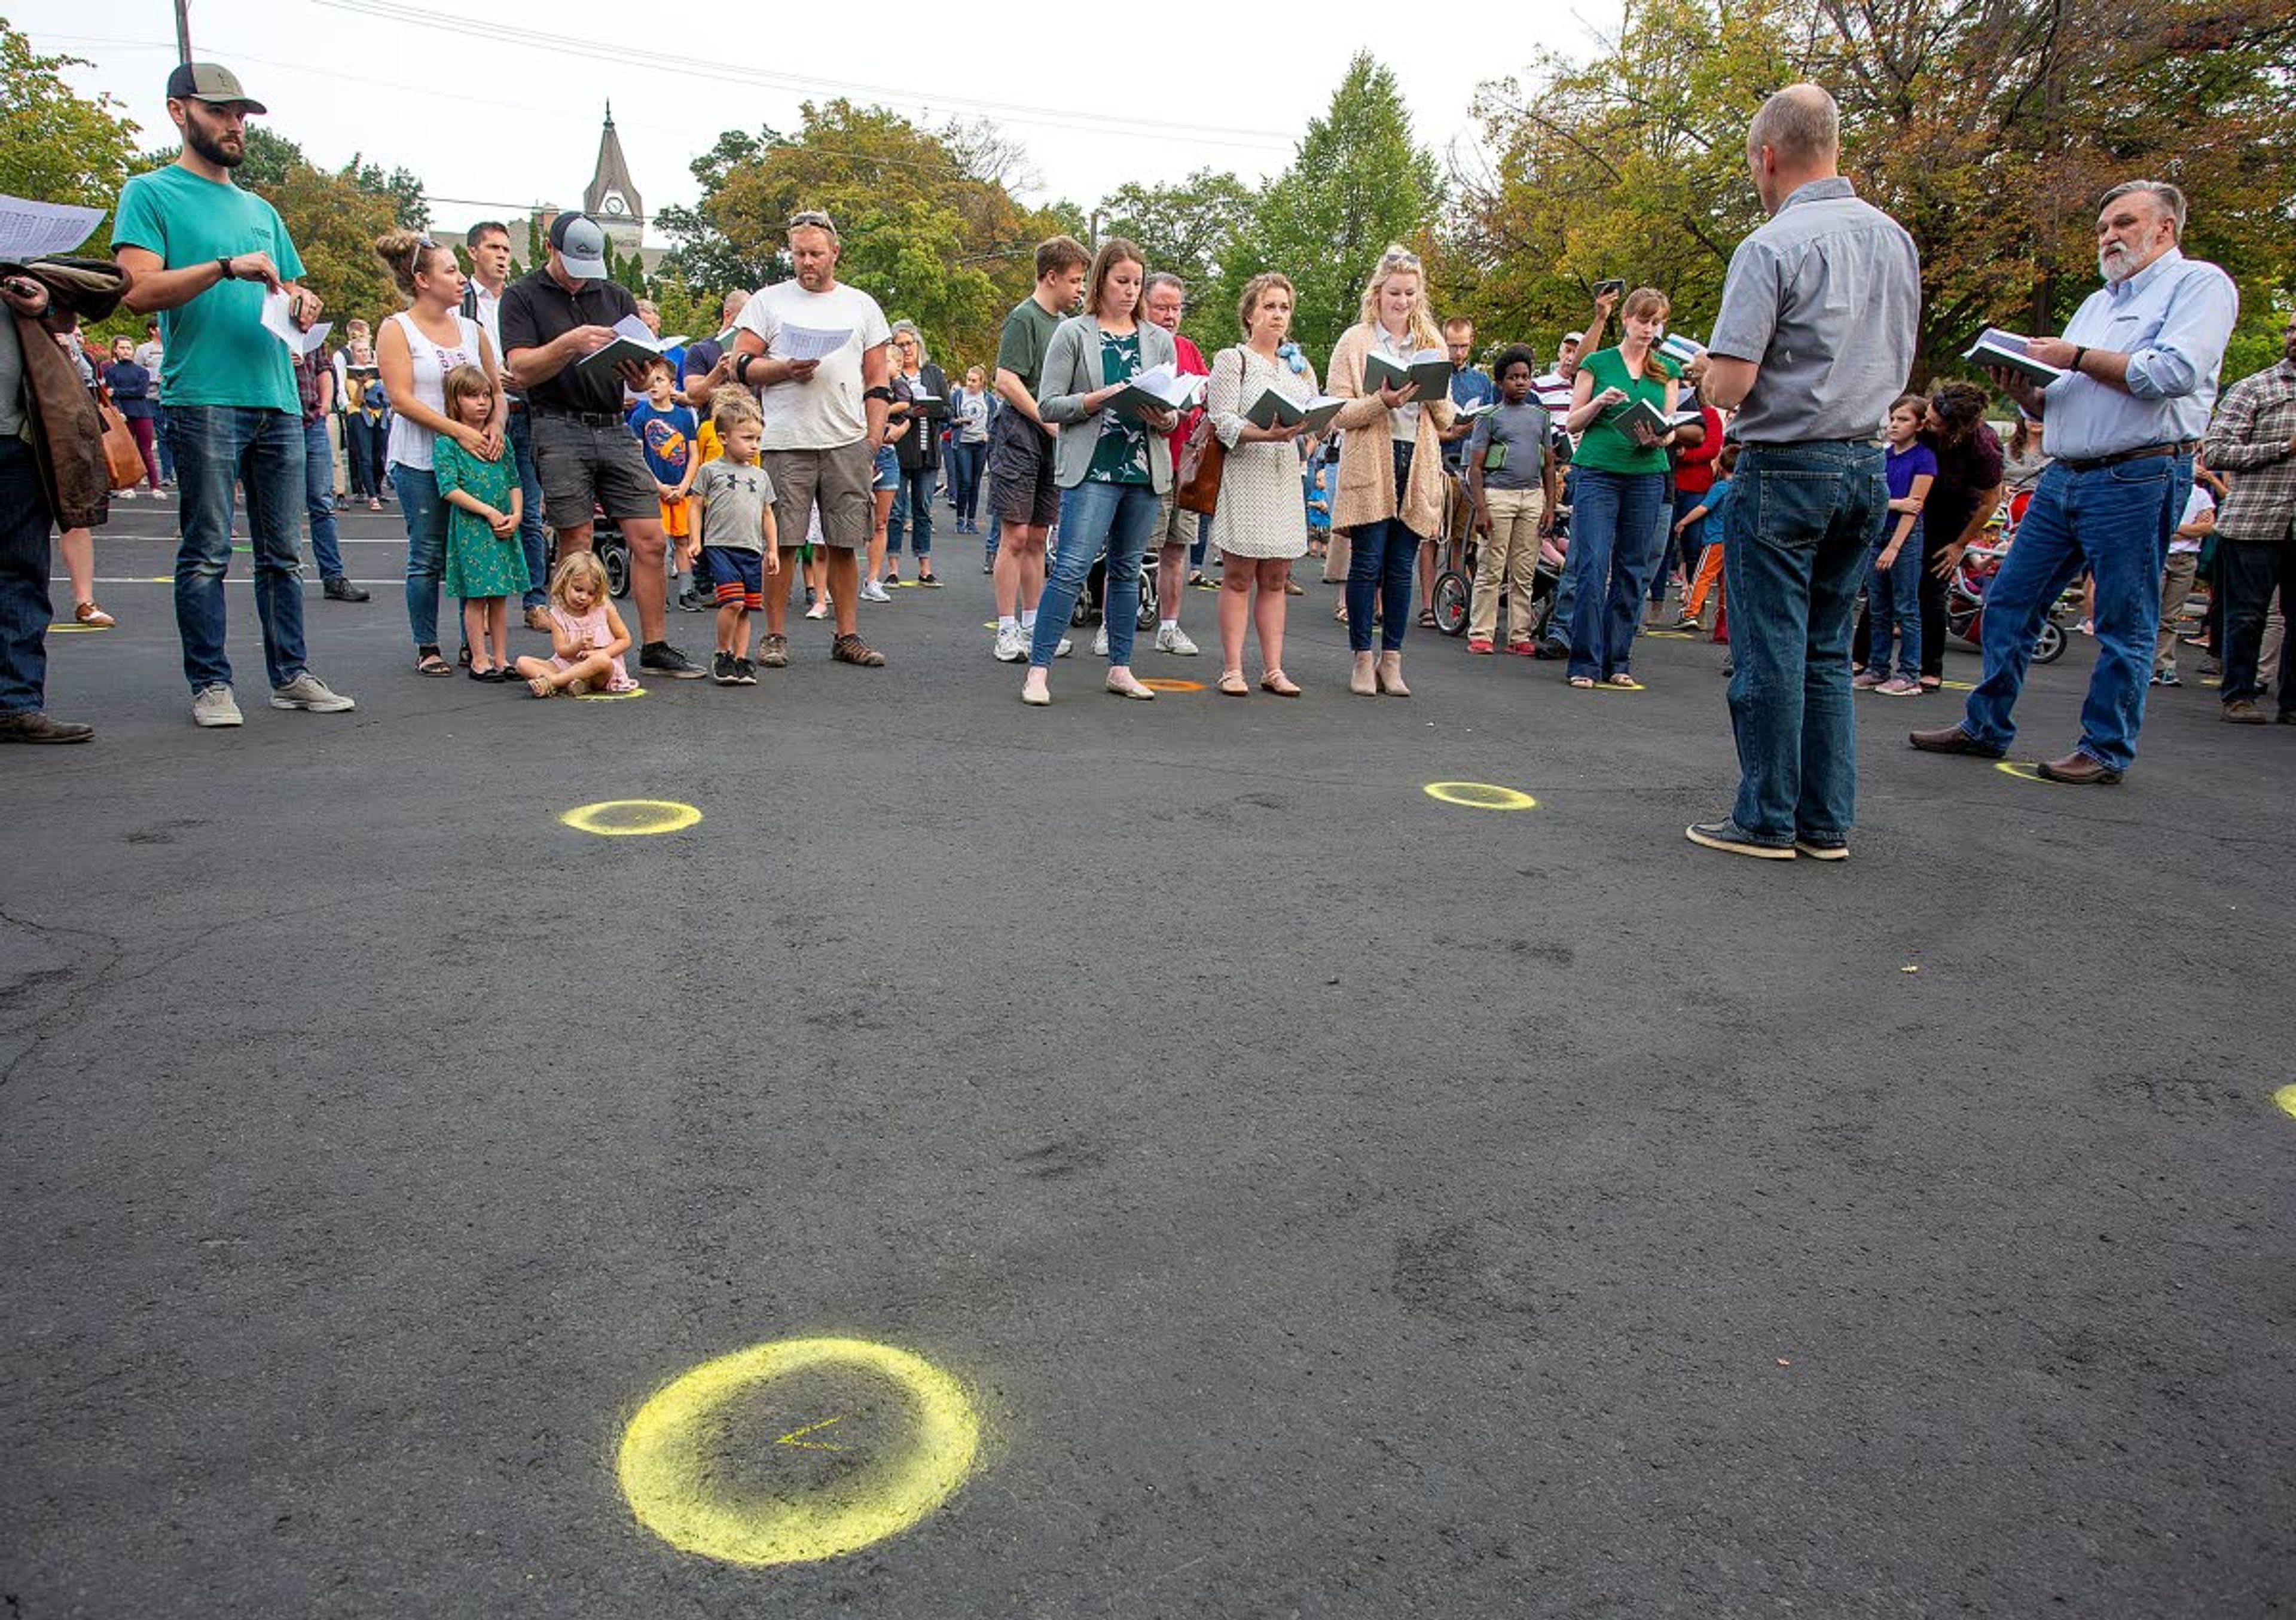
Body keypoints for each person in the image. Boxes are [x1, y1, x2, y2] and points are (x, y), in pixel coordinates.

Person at [1913, 178, 2237, 781]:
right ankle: (1986, 724)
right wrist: (2030, 393)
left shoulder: (2200, 285)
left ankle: (2106, 748)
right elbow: (2067, 395)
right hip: (2066, 473)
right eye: (2103, 228)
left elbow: (2172, 371)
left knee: (2123, 617)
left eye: (2124, 223)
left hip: (2139, 472)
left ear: (2165, 228)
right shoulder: (2098, 303)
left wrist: (2075, 358)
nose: (2109, 236)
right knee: (2009, 599)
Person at [1686, 82, 1919, 858]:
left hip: (1787, 465)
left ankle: (1766, 816)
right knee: (1825, 645)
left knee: (1771, 647)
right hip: (1865, 463)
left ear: (1768, 156)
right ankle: (1825, 821)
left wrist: (1704, 377)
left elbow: (1735, 382)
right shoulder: (1894, 239)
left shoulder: (1772, 247)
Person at [112, 60, 357, 727]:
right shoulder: (151, 193)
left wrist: (305, 302)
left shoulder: (262, 210)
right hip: (203, 395)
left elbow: (300, 289)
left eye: (241, 115)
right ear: (178, 112)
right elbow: (135, 290)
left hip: (276, 395)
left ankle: (291, 675)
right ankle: (211, 684)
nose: (234, 125)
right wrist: (223, 267)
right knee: (209, 547)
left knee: (283, 550)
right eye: (220, 112)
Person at [499, 210, 703, 678]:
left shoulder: (614, 295)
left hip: (614, 424)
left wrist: (637, 372)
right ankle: (573, 652)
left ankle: (655, 646)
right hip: (556, 422)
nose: (580, 280)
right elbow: (522, 370)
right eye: (572, 266)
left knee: (650, 540)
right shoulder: (522, 297)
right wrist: (569, 343)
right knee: (577, 541)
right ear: (551, 249)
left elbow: (641, 371)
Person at [728, 207, 894, 669]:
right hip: (785, 439)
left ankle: (848, 636)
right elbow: (739, 364)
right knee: (782, 541)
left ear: (835, 253)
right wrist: (782, 368)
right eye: (799, 253)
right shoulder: (768, 301)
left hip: (846, 439)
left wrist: (873, 438)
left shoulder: (862, 305)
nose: (807, 262)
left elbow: (877, 378)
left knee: (843, 542)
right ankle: (775, 636)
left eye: (816, 254)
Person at [1019, 239, 1178, 704]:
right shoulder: (1073, 333)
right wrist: (1097, 399)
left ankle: (1121, 667)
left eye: (1137, 283)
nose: (1131, 292)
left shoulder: (1158, 339)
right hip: (1092, 468)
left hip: (1143, 470)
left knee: (1128, 571)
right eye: (1122, 281)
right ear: (1101, 281)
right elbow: (1049, 403)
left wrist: (1164, 417)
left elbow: (1172, 413)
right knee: (1069, 568)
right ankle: (1038, 670)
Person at [1326, 245, 1457, 696]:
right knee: (1367, 564)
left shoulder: (1432, 343)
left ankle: (1393, 660)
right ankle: (1363, 658)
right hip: (1371, 459)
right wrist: (1383, 400)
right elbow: (1337, 411)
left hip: (1417, 461)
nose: (1402, 302)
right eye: (1395, 293)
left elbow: (1445, 418)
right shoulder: (1355, 340)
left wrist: (1429, 391)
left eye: (1410, 294)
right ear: (1378, 293)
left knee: (1401, 568)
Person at [373, 227, 504, 675]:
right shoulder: (398, 329)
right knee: (428, 553)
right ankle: (427, 644)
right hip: (420, 460)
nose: (461, 277)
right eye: (451, 270)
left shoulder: (472, 329)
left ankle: (476, 645)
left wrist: (495, 427)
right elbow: (402, 399)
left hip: (474, 462)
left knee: (475, 547)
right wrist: (459, 432)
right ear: (423, 280)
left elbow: (496, 387)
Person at [0, 261, 111, 741]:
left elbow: (109, 287)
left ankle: (16, 703)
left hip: (16, 433)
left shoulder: (20, 267)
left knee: (21, 570)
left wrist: (43, 300)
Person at [1559, 286, 1682, 690]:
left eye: (1656, 322)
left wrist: (1659, 438)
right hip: (1597, 470)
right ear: (1626, 319)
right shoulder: (1597, 362)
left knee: (1633, 567)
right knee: (1592, 564)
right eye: (1643, 320)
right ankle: (1584, 661)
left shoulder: (1666, 369)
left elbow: (1668, 427)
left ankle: (1618, 659)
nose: (1649, 329)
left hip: (1646, 473)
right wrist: (1600, 403)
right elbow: (1572, 422)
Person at [1201, 271, 1316, 696]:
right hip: (1247, 469)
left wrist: (1311, 429)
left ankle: (1274, 668)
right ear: (1250, 314)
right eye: (1269, 306)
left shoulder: (1298, 367)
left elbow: (1314, 413)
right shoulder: (1233, 359)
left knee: (1275, 577)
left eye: (1284, 307)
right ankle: (1233, 668)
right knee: (1238, 575)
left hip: (1284, 473)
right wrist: (1262, 432)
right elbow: (1222, 418)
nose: (1278, 315)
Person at [987, 235, 1091, 662]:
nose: (1080, 289)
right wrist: (1046, 420)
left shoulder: (1067, 326)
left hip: (1052, 438)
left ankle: (1033, 627)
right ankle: (1006, 631)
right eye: (1074, 280)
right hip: (1020, 435)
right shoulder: (1024, 318)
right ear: (1050, 277)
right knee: (1013, 535)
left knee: (1037, 537)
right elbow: (1006, 380)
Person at [2199, 310, 2296, 723]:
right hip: (2256, 522)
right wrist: (2282, 448)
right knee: (2246, 614)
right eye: (2292, 329)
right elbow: (2216, 452)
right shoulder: (2255, 388)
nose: (2294, 337)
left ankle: (2291, 705)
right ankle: (2238, 695)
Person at [461, 219, 551, 629]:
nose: (501, 256)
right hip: (478, 419)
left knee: (529, 513)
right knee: (482, 515)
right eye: (493, 248)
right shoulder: (460, 302)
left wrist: (525, 376)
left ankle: (535, 601)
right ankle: (479, 609)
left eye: (506, 249)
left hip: (524, 411)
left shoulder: (521, 300)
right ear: (473, 253)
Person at [433, 362, 528, 680]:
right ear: (455, 400)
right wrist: (487, 511)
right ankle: (479, 659)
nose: (482, 402)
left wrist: (516, 514)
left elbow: (515, 480)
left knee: (500, 596)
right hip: (474, 527)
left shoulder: (501, 440)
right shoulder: (448, 442)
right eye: (472, 396)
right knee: (477, 597)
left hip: (504, 525)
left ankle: (501, 658)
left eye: (486, 395)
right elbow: (448, 488)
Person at [1464, 344, 1558, 655]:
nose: (1520, 382)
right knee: (1491, 565)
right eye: (1513, 377)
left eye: (1525, 376)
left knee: (1524, 569)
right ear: (1500, 382)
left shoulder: (1541, 417)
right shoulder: (1489, 418)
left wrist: (1549, 505)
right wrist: (1481, 508)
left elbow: (1549, 464)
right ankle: (1482, 632)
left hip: (1531, 496)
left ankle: (1520, 634)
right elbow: (1475, 468)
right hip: (1498, 496)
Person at [1910, 382, 2004, 692]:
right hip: (1913, 500)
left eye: (1935, 423)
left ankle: (1930, 668)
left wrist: (1960, 544)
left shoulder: (1983, 446)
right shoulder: (1923, 421)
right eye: (1928, 416)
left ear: (1956, 428)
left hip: (1952, 510)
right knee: (1890, 577)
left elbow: (1991, 501)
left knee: (1932, 587)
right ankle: (1867, 660)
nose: (1927, 424)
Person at [1138, 270, 1208, 656]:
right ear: (1145, 306)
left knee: (1177, 548)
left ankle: (1169, 626)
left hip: (1187, 464)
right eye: (1162, 307)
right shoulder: (1136, 345)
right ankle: (1112, 628)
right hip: (1148, 460)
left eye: (1176, 308)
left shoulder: (1189, 349)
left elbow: (1205, 390)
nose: (1170, 315)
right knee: (1133, 548)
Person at [690, 390, 780, 686]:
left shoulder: (761, 476)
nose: (754, 446)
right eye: (747, 438)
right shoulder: (709, 470)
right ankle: (722, 652)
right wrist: (695, 539)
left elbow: (768, 513)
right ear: (724, 438)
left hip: (751, 548)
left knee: (747, 607)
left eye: (757, 439)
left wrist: (773, 550)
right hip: (721, 546)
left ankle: (741, 659)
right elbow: (695, 505)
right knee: (732, 602)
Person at [1856, 393, 1935, 697]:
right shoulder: (1883, 456)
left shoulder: (1923, 458)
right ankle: (1877, 667)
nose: (1894, 425)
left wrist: (1894, 547)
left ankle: (1909, 672)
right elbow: (1871, 499)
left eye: (1903, 419)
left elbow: (1914, 509)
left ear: (1919, 424)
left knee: (1906, 607)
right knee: (1878, 608)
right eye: (1893, 418)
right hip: (1878, 532)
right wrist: (1896, 503)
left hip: (1904, 538)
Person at [288, 301, 367, 603]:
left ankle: (333, 577)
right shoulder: (267, 325)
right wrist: (282, 358)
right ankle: (287, 574)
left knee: (322, 502)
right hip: (280, 419)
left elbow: (324, 369)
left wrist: (324, 404)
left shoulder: (311, 334)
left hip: (312, 420)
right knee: (287, 504)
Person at [515, 551, 636, 696]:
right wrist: (578, 645)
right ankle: (576, 684)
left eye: (591, 593)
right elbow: (562, 651)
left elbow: (625, 640)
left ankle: (554, 682)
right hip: (567, 664)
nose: (583, 597)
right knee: (522, 663)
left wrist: (600, 652)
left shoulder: (604, 608)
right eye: (578, 590)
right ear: (565, 582)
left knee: (602, 660)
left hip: (599, 670)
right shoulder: (557, 614)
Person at [884, 320, 945, 587]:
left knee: (924, 509)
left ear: (918, 345)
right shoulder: (890, 376)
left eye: (910, 343)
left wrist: (929, 410)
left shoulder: (932, 374)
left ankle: (925, 567)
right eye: (900, 345)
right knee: (895, 511)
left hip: (927, 452)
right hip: (899, 451)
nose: (906, 349)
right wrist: (907, 413)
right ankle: (893, 568)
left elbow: (947, 411)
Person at [625, 357, 699, 576]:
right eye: (650, 381)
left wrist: (685, 486)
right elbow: (638, 457)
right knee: (657, 542)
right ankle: (659, 590)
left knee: (683, 540)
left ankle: (687, 591)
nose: (654, 385)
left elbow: (693, 455)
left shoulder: (684, 417)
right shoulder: (641, 416)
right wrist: (659, 486)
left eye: (659, 380)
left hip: (681, 490)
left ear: (672, 385)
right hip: (654, 491)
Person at [2152, 480, 2214, 687]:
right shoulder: (2159, 488)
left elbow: (2207, 528)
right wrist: (2191, 529)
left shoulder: (2200, 494)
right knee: (2148, 613)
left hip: (2186, 559)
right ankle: (2141, 665)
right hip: (2159, 555)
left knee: (2170, 616)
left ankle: (2165, 667)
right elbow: (2151, 525)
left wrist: (2172, 528)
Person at [102, 335, 164, 497]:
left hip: (143, 412)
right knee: (126, 451)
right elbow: (111, 395)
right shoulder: (110, 372)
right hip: (123, 415)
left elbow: (140, 391)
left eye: (129, 348)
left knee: (146, 450)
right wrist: (119, 411)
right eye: (122, 348)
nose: (126, 351)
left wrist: (118, 392)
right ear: (115, 349)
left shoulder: (142, 371)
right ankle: (128, 486)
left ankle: (155, 486)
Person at [948, 365, 991, 532]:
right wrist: (959, 421)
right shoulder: (958, 396)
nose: (970, 384)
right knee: (965, 481)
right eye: (968, 380)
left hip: (980, 444)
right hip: (963, 442)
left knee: (975, 483)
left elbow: (996, 421)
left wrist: (989, 434)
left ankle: (971, 520)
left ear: (982, 383)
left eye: (974, 381)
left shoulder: (988, 399)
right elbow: (948, 418)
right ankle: (960, 518)